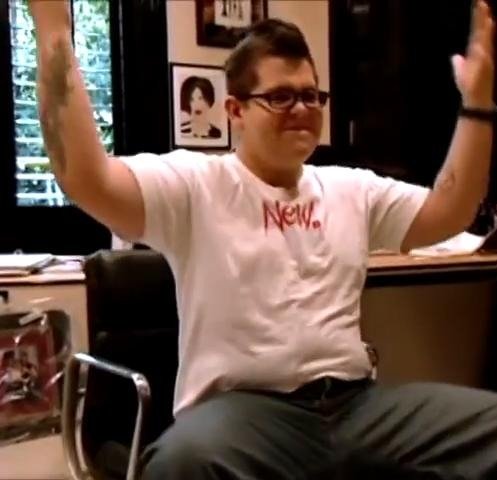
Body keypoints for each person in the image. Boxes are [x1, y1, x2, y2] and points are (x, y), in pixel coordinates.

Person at [28, 1, 497, 478]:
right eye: (280, 97)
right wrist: (54, 31)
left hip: (356, 406)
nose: (302, 110)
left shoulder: (351, 189)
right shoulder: (195, 186)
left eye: (311, 96)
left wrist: (478, 104)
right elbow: (85, 176)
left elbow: (450, 211)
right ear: (235, 110)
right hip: (244, 414)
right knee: (181, 462)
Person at [179, 75, 222, 139]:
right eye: (192, 100)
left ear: (209, 100)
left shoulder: (217, 134)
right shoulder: (181, 131)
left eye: (200, 98)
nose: (197, 104)